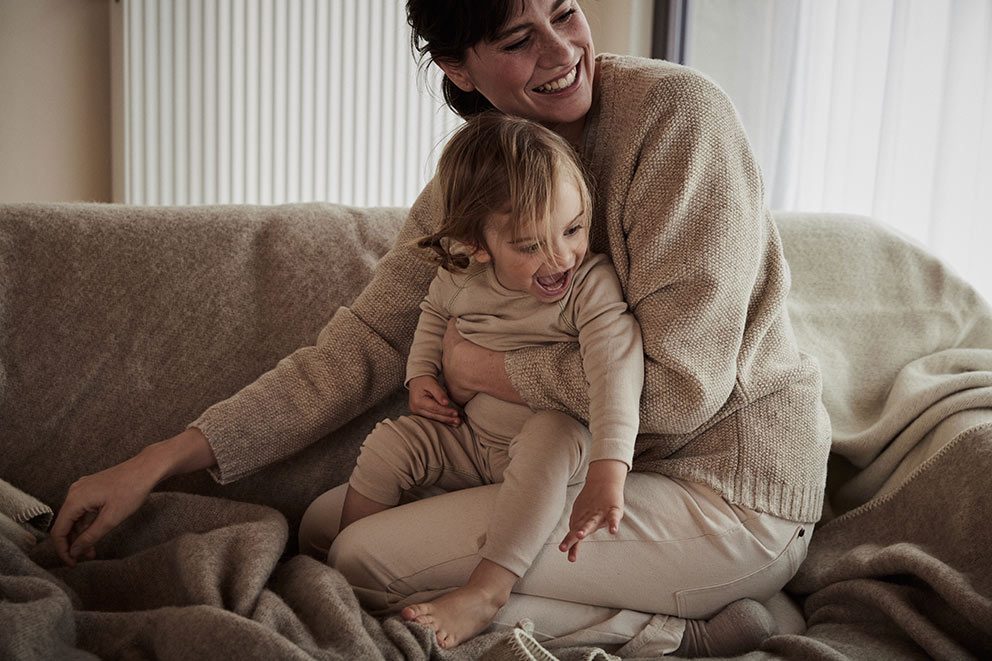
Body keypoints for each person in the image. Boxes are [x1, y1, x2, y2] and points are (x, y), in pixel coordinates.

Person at [53, 0, 831, 655]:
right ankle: (675, 613)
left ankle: (689, 629)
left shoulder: (675, 119)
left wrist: (490, 373)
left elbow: (682, 390)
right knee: (324, 525)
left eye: (564, 11)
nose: (563, 52)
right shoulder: (478, 180)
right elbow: (363, 345)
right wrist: (158, 460)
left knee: (359, 559)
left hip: (724, 488)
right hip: (572, 471)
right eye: (519, 39)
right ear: (461, 69)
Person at [338, 112, 643, 646]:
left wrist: (609, 470)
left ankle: (487, 592)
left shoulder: (589, 286)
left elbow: (616, 373)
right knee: (385, 448)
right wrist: (420, 375)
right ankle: (340, 585)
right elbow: (432, 313)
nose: (561, 257)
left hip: (546, 453)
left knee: (554, 432)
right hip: (472, 442)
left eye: (573, 229)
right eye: (530, 246)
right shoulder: (463, 276)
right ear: (478, 244)